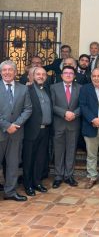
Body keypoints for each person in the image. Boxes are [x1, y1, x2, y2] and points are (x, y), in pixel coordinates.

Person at [0, 60, 32, 201]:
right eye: (4, 70)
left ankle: (10, 192)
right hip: (1, 131)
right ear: (1, 72)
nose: (7, 72)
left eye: (10, 70)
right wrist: (7, 125)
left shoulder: (23, 89)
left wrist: (16, 124)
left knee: (13, 164)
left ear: (15, 72)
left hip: (16, 133)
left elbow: (28, 109)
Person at [50, 65, 81, 189]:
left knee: (71, 151)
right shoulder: (53, 87)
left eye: (71, 73)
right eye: (66, 73)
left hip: (74, 123)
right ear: (61, 75)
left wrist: (75, 113)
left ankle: (68, 175)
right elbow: (52, 105)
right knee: (58, 151)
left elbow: (83, 104)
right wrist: (64, 113)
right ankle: (58, 176)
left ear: (74, 76)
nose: (68, 75)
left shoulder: (80, 88)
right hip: (59, 124)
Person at [23, 67, 52, 196]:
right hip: (31, 130)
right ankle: (28, 185)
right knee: (29, 159)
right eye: (38, 74)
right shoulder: (27, 89)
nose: (41, 76)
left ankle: (37, 182)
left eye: (43, 74)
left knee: (40, 158)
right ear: (32, 76)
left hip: (45, 131)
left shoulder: (47, 89)